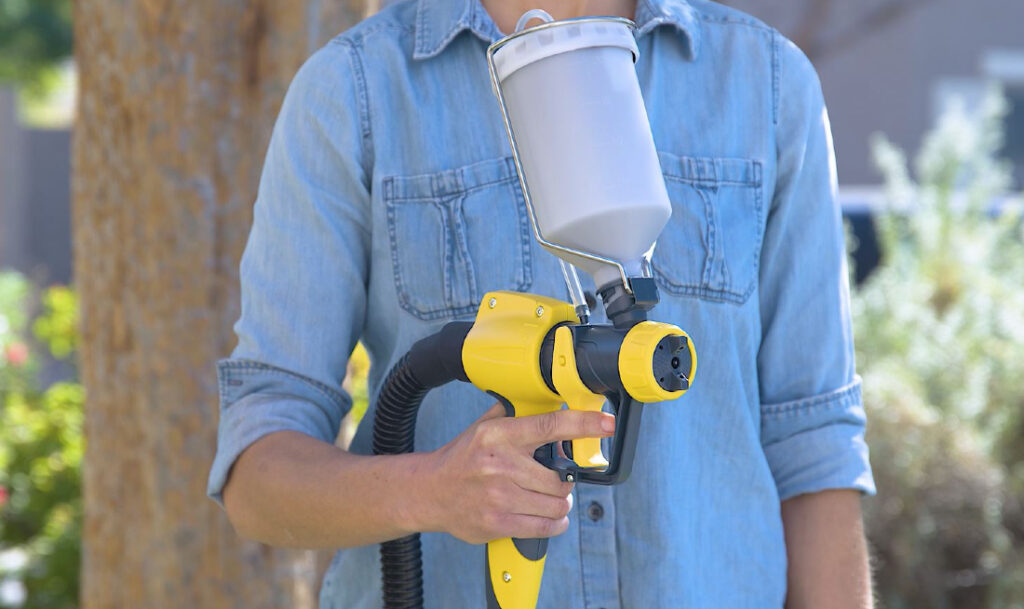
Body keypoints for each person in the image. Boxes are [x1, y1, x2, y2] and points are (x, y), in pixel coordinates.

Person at [207, 0, 876, 606]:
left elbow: (812, 444)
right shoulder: (356, 92)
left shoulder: (766, 86)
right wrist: (431, 488)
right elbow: (257, 472)